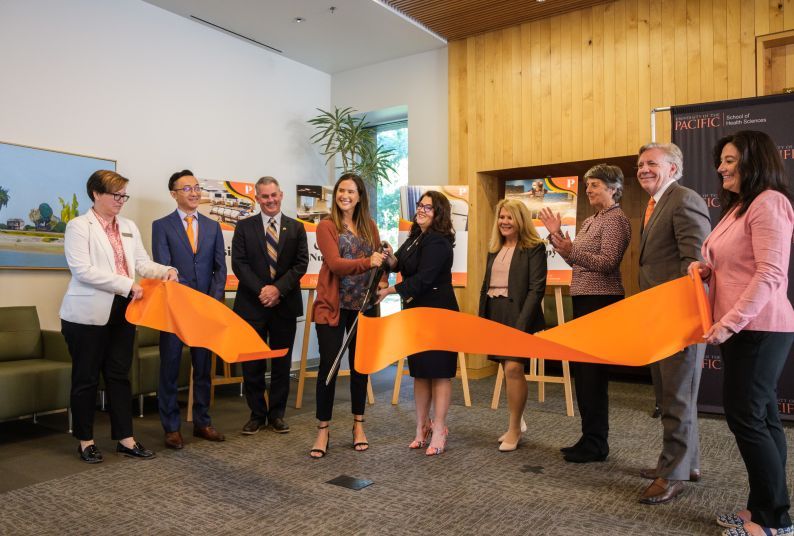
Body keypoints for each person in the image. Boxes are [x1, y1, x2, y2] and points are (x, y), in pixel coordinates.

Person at [689, 130, 793, 536]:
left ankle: (774, 522)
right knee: (763, 420)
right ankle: (764, 509)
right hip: (744, 329)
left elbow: (770, 273)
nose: (720, 168)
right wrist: (704, 270)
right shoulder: (738, 208)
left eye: (731, 161)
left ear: (754, 161)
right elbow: (732, 264)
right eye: (722, 160)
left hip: (758, 328)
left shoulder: (770, 203)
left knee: (748, 419)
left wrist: (729, 321)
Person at [60, 170, 178, 464]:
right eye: (116, 195)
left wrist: (165, 270)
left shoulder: (128, 226)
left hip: (124, 310)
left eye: (124, 195)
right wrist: (127, 285)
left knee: (119, 375)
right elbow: (82, 270)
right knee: (86, 378)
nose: (121, 200)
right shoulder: (78, 226)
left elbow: (140, 262)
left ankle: (125, 438)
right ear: (96, 194)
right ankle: (85, 441)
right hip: (86, 315)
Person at [539, 164, 631, 464]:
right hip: (583, 297)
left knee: (593, 376)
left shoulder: (617, 220)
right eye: (588, 185)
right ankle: (589, 437)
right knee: (584, 375)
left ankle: (596, 443)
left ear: (613, 188)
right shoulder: (590, 221)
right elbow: (577, 262)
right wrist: (558, 238)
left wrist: (570, 248)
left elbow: (607, 263)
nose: (588, 190)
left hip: (602, 301)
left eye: (594, 185)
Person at [635, 142, 711, 505]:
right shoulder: (656, 204)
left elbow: (695, 263)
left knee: (678, 397)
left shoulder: (684, 199)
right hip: (659, 316)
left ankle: (673, 475)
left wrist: (679, 316)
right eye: (640, 165)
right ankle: (685, 463)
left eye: (651, 163)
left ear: (674, 168)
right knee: (673, 397)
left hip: (679, 318)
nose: (643, 169)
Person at [309, 173, 385, 458]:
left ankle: (358, 425)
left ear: (360, 196)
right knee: (328, 368)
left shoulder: (370, 226)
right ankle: (323, 430)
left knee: (360, 368)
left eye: (351, 191)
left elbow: (379, 265)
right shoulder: (327, 226)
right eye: (341, 190)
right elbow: (336, 264)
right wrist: (369, 261)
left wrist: (381, 274)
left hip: (363, 308)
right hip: (333, 307)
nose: (345, 195)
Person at [378, 191, 458, 456]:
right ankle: (421, 427)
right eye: (420, 205)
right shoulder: (415, 237)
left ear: (439, 214)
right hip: (416, 312)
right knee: (421, 372)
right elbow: (397, 263)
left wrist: (390, 291)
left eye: (429, 208)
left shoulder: (437, 242)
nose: (421, 210)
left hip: (438, 313)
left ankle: (440, 429)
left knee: (440, 372)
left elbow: (424, 278)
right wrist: (389, 255)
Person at [152, 170, 227, 449]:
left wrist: (211, 301)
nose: (194, 193)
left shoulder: (212, 227)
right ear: (174, 194)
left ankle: (202, 423)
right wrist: (186, 301)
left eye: (196, 187)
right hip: (174, 310)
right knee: (169, 368)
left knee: (204, 369)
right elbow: (163, 266)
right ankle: (171, 428)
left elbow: (220, 269)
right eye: (187, 188)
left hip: (205, 311)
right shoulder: (161, 226)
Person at [232, 176, 308, 435]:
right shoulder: (244, 227)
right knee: (252, 362)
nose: (270, 200)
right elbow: (239, 264)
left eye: (274, 194)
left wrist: (277, 289)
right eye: (264, 196)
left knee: (282, 363)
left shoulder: (296, 228)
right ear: (257, 198)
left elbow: (301, 264)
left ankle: (277, 414)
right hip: (251, 305)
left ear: (281, 194)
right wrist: (262, 290)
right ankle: (256, 414)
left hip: (284, 304)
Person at [479, 198, 547, 452]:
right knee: (506, 369)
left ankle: (515, 428)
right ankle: (517, 420)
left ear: (520, 220)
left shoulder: (535, 247)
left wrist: (520, 326)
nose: (504, 222)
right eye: (501, 217)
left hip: (519, 315)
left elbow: (536, 289)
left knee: (514, 370)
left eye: (509, 217)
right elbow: (486, 286)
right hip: (495, 312)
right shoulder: (494, 248)